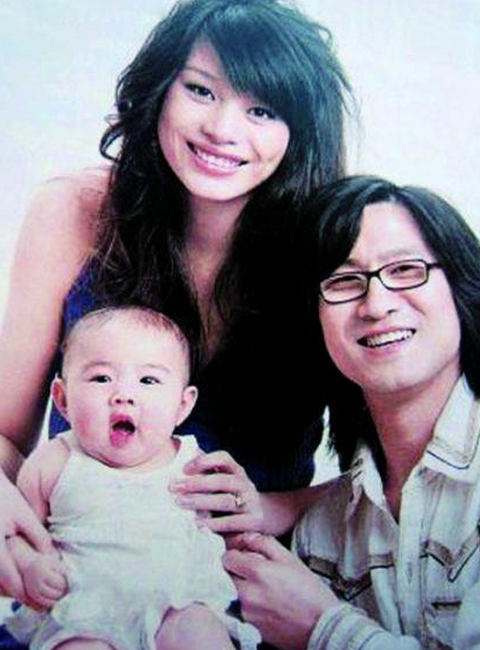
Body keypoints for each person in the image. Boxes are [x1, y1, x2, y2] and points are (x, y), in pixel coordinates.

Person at [0, 0, 352, 615]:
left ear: (300, 131)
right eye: (200, 90)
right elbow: (6, 435)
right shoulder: (74, 213)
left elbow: (389, 485)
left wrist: (274, 509)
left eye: (262, 110)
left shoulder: (334, 249)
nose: (222, 129)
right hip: (81, 586)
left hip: (247, 598)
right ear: (160, 90)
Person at [223, 175, 480, 649]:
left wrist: (322, 627)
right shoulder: (323, 534)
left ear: (462, 288)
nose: (376, 305)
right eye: (343, 281)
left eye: (406, 270)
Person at [5, 305, 260, 650]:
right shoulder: (53, 463)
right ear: (63, 399)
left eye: (148, 380)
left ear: (182, 405)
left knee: (198, 631)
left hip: (177, 602)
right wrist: (31, 564)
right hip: (84, 611)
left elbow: (226, 530)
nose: (123, 394)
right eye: (101, 378)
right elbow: (18, 534)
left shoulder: (192, 462)